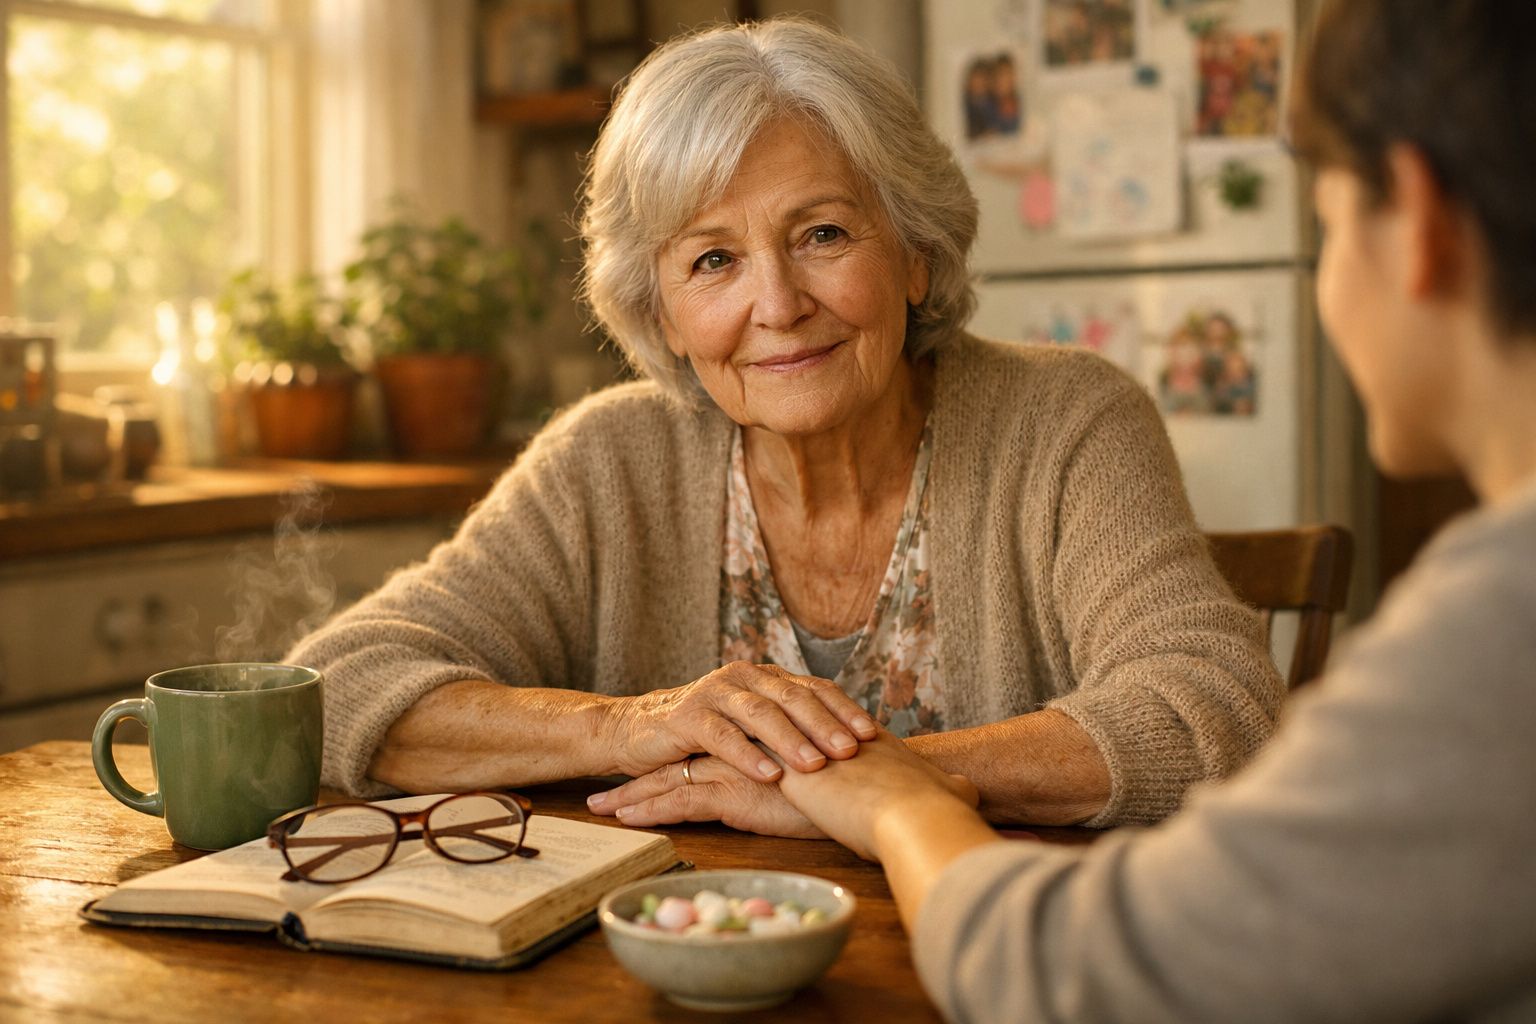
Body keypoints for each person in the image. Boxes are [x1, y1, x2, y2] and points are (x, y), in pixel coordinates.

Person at [289, 19, 1281, 838]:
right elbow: (331, 684)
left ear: (916, 254)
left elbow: (1216, 707)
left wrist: (854, 786)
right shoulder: (607, 460)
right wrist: (629, 725)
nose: (778, 303)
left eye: (823, 234)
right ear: (666, 315)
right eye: (713, 260)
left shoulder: (1067, 424)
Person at [773, 1, 1536, 1019]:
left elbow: (1078, 969)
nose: (777, 305)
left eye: (1332, 224)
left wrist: (900, 790)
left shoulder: (1504, 627)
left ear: (1420, 222)